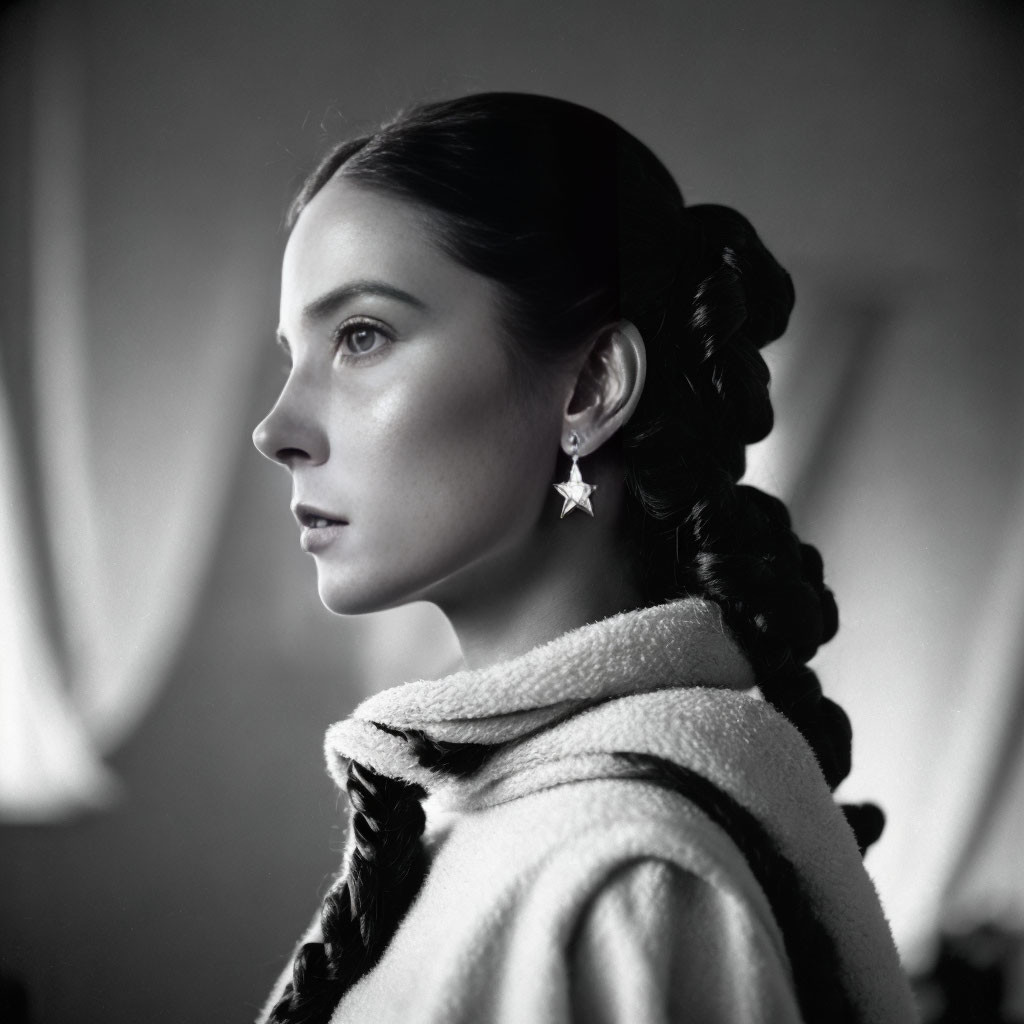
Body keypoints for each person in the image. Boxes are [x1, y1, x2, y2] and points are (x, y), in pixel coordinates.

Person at [251, 92, 916, 1023]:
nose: (276, 429)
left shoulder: (631, 880)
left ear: (593, 387)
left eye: (362, 336)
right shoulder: (480, 812)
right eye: (294, 353)